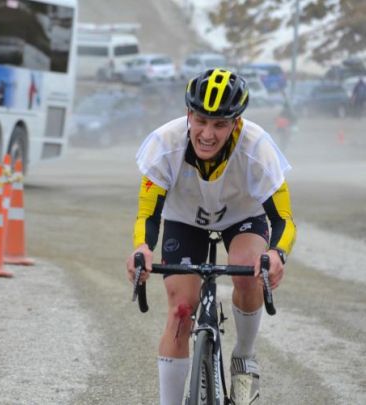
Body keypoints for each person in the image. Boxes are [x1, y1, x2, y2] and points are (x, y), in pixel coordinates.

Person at [126, 68, 296, 405]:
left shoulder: (257, 147)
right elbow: (148, 215)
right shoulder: (164, 143)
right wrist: (142, 249)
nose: (207, 133)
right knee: (180, 311)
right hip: (184, 220)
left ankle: (244, 358)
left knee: (248, 270)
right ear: (188, 114)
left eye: (220, 124)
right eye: (201, 120)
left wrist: (278, 254)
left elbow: (284, 220)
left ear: (236, 123)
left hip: (242, 218)